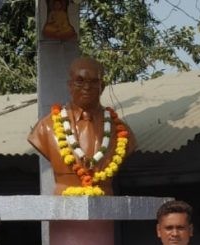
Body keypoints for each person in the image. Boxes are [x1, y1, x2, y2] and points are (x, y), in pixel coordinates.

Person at [28, 56, 135, 195]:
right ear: (70, 85)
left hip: (104, 206)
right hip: (64, 206)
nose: (87, 87)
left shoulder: (122, 133)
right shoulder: (46, 128)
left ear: (102, 86)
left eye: (94, 81)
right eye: (80, 81)